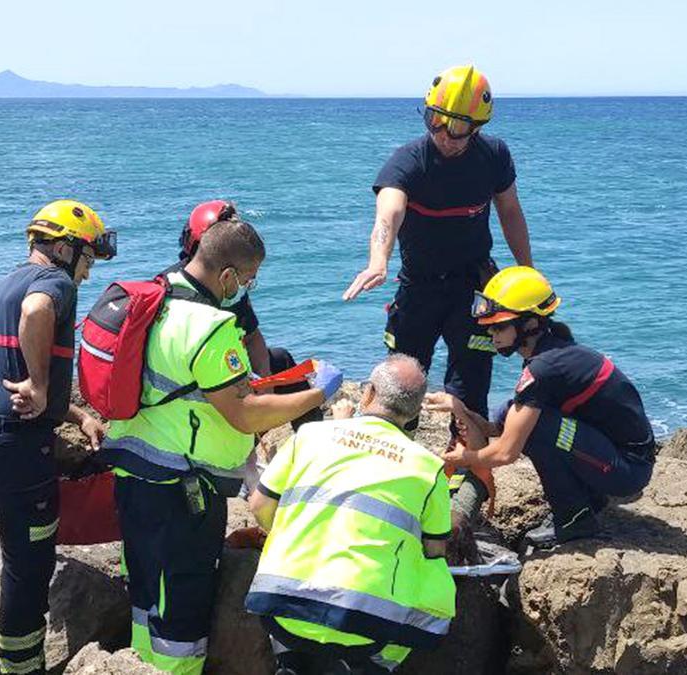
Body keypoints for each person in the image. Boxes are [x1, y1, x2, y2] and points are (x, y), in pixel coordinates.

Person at [99, 218, 344, 674]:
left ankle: (139, 663)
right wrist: (318, 394)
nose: (246, 289)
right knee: (183, 602)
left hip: (133, 466)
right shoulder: (211, 328)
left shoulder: (159, 293)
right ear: (228, 276)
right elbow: (244, 413)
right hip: (181, 485)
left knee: (146, 587)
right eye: (247, 280)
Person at [0, 199, 116, 675]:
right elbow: (37, 313)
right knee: (30, 560)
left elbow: (9, 365)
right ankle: (21, 666)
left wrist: (75, 414)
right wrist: (41, 387)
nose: (87, 272)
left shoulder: (5, 281)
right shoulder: (53, 282)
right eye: (87, 258)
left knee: (26, 510)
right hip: (8, 440)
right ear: (64, 249)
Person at [342, 64, 532, 426]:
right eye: (434, 120)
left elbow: (510, 210)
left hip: (473, 286)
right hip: (419, 288)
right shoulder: (409, 160)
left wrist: (526, 269)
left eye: (457, 127)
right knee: (399, 387)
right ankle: (391, 464)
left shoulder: (494, 157)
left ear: (477, 127)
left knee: (470, 390)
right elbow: (389, 213)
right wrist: (378, 260)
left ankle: (469, 472)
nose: (443, 134)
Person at [244, 354, 455, 675]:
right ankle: (374, 666)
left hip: (280, 607)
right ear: (415, 412)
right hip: (365, 624)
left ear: (368, 394)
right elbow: (435, 551)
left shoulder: (310, 436)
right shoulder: (428, 468)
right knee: (434, 574)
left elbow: (258, 505)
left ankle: (290, 660)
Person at [427, 266, 656, 546]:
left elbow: (505, 453)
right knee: (512, 411)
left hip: (627, 470)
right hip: (611, 455)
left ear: (529, 324)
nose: (492, 334)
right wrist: (460, 409)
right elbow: (499, 427)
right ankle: (586, 499)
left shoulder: (544, 368)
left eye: (499, 326)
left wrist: (459, 459)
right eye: (489, 327)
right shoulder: (551, 351)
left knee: (539, 430)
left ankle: (575, 520)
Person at [167, 200, 322, 430]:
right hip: (194, 380)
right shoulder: (178, 298)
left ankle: (315, 445)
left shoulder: (230, 289)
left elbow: (252, 336)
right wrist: (321, 393)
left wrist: (265, 386)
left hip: (230, 367)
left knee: (282, 361)